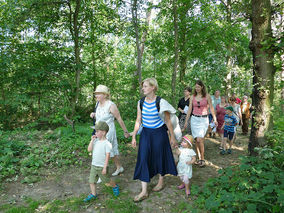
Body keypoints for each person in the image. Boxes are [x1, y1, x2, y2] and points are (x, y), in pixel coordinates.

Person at [131, 78, 178, 202]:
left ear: (153, 87)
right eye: (143, 86)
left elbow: (167, 121)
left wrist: (172, 137)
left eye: (146, 86)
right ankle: (144, 191)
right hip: (146, 133)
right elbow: (138, 120)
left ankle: (161, 181)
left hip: (159, 133)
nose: (143, 88)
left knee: (159, 157)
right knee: (143, 158)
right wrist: (134, 135)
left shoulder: (161, 102)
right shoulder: (140, 102)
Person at [90, 85, 130, 176]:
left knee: (103, 152)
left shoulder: (111, 105)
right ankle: (119, 167)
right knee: (111, 151)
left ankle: (101, 173)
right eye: (96, 94)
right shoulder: (97, 104)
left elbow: (119, 119)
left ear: (104, 95)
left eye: (98, 94)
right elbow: (100, 116)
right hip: (98, 131)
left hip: (108, 132)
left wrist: (125, 131)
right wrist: (93, 114)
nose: (96, 95)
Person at [183, 80, 217, 167]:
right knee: (196, 140)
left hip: (203, 120)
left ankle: (202, 158)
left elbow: (211, 109)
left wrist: (214, 119)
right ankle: (198, 158)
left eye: (198, 87)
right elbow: (190, 109)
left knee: (199, 139)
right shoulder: (192, 97)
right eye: (196, 87)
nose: (197, 88)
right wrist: (186, 121)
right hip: (194, 119)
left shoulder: (207, 96)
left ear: (202, 87)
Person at [84, 121, 119, 202]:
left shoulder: (107, 144)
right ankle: (93, 194)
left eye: (97, 131)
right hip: (94, 165)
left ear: (103, 132)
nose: (95, 133)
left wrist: (104, 168)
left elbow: (107, 156)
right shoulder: (95, 141)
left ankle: (115, 186)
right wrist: (91, 141)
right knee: (91, 181)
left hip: (102, 166)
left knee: (106, 181)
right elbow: (89, 149)